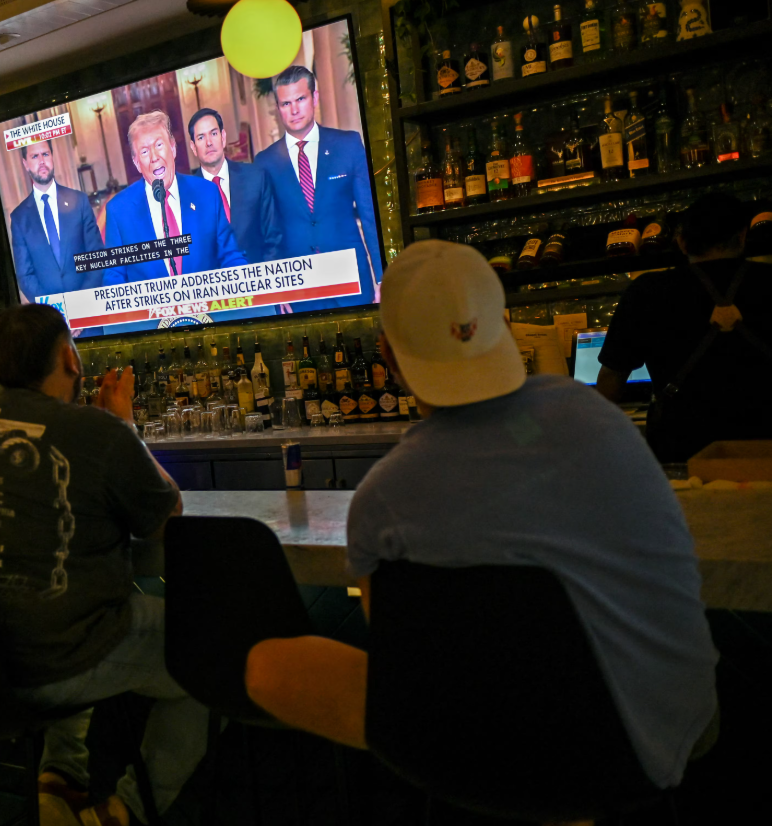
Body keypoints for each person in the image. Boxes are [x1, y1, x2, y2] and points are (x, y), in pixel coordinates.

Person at [243, 241, 719, 797]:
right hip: (669, 732)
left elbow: (398, 656)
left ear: (389, 357)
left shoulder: (384, 497)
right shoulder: (599, 416)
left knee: (266, 666)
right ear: (503, 326)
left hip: (484, 755)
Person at [0, 304, 205, 826]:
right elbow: (168, 517)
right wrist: (126, 426)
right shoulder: (97, 429)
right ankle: (123, 813)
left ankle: (59, 783)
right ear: (69, 359)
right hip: (48, 661)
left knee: (70, 599)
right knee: (213, 648)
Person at [597, 193, 772, 462]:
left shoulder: (648, 291)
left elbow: (611, 379)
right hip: (764, 444)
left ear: (681, 243)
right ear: (742, 236)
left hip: (682, 450)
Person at [253, 65, 382, 311]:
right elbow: (267, 232)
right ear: (278, 108)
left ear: (315, 98)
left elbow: (370, 215)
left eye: (300, 99)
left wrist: (381, 276)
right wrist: (275, 289)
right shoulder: (265, 162)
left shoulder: (348, 145)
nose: (294, 110)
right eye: (285, 103)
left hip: (351, 277)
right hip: (299, 285)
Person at [100, 110, 247, 287]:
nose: (154, 157)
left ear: (173, 148)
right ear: (137, 163)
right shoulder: (119, 210)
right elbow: (114, 278)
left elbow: (230, 255)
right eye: (145, 151)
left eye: (159, 145)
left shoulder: (207, 194)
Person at [10, 139, 107, 304]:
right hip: (52, 321)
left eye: (45, 154)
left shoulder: (80, 201)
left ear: (52, 157)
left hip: (89, 312)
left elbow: (97, 258)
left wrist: (80, 307)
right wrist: (56, 311)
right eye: (34, 156)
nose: (42, 161)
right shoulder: (19, 218)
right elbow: (25, 276)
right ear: (25, 164)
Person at [188, 107, 283, 265]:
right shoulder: (187, 195)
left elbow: (274, 238)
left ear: (223, 137)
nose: (209, 142)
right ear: (193, 147)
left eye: (213, 133)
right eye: (201, 137)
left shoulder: (256, 178)